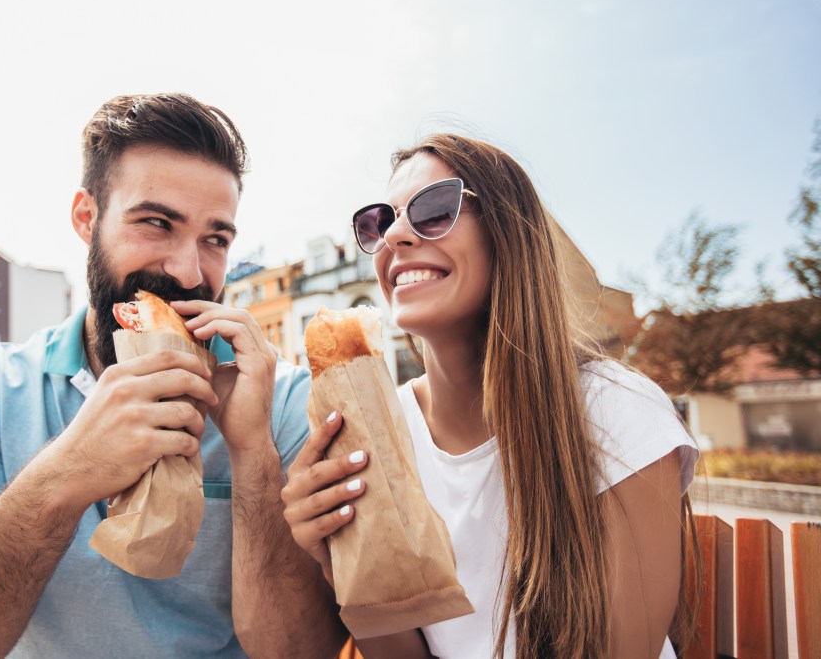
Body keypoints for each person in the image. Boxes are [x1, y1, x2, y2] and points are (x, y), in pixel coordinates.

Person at [0, 93, 345, 658]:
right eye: (156, 223)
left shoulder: (284, 401)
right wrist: (68, 469)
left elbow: (298, 653)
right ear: (86, 218)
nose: (188, 271)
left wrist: (252, 453)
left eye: (215, 238)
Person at [282, 134, 700, 658]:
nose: (396, 237)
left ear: (508, 233)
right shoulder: (380, 434)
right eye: (380, 222)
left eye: (435, 209)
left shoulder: (615, 412)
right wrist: (335, 556)